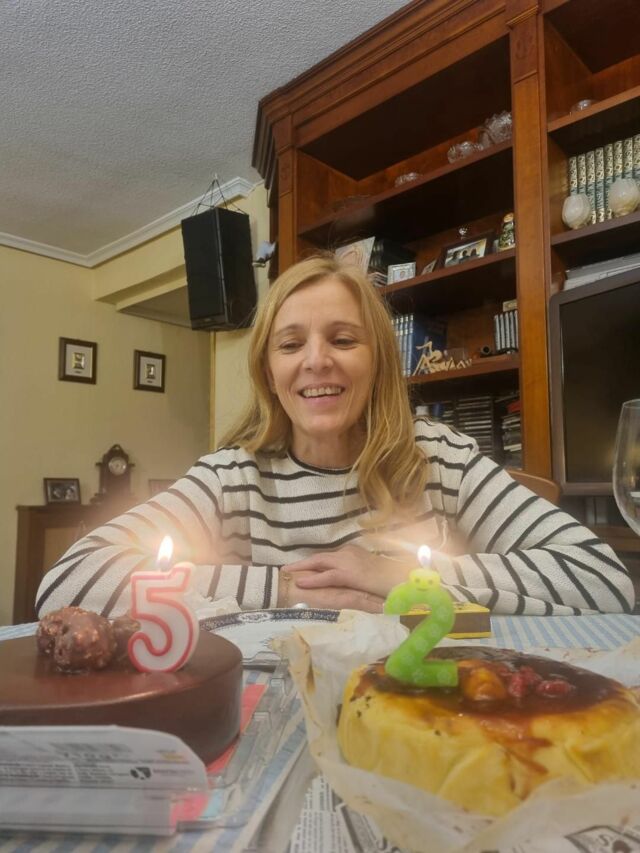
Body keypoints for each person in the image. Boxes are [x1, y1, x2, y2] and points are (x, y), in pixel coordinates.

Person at [35, 255, 635, 619]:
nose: (316, 361)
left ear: (378, 361)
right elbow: (69, 581)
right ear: (268, 371)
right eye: (291, 344)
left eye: (344, 340)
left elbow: (601, 577)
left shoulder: (439, 455)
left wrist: (401, 578)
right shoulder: (230, 475)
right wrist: (284, 587)